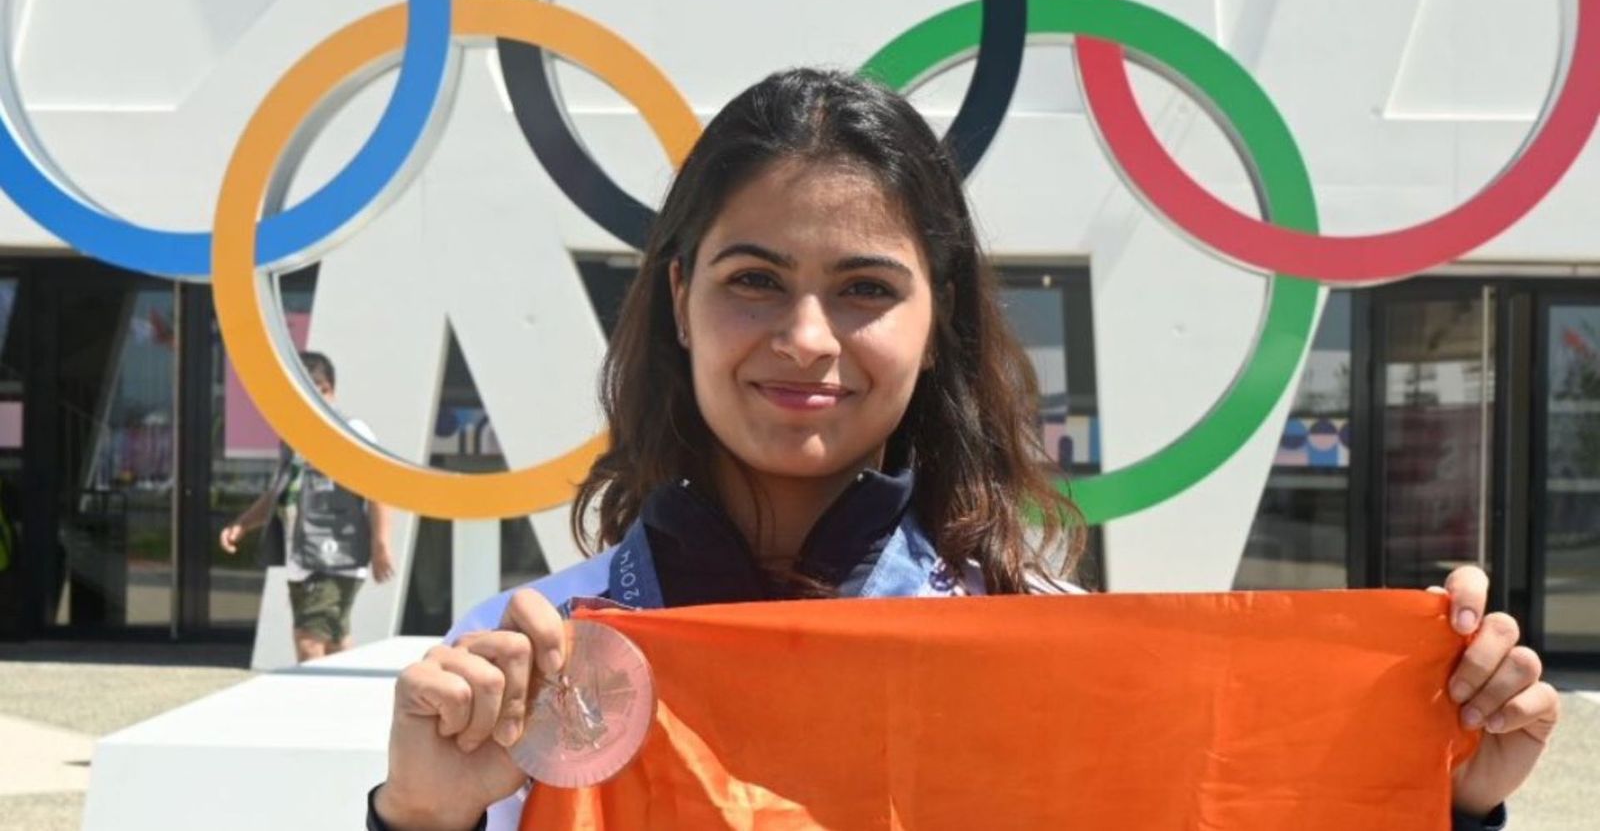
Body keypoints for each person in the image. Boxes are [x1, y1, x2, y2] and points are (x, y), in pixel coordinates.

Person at [369, 69, 1557, 831]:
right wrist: (420, 823)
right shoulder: (526, 661)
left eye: (864, 289)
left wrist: (1437, 799)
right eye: (754, 281)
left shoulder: (1041, 638)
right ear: (678, 299)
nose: (804, 338)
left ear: (936, 323)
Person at [221, 351, 394, 662]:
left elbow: (379, 489)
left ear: (326, 389)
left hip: (334, 556)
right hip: (302, 556)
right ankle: (350, 702)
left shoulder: (351, 431)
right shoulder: (295, 436)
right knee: (335, 640)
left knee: (308, 640)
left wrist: (380, 545)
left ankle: (315, 704)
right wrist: (243, 523)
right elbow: (278, 493)